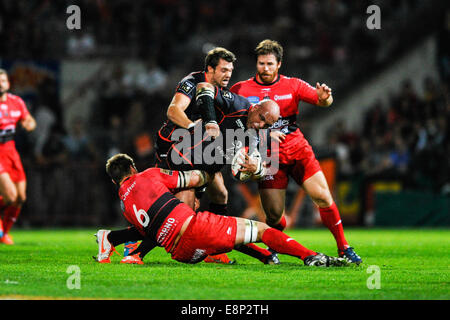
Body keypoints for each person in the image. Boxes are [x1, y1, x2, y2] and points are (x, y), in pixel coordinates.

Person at [113, 85, 283, 265]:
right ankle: (134, 250)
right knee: (180, 219)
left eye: (267, 125)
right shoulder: (236, 104)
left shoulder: (257, 135)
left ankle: (214, 252)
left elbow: (255, 168)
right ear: (255, 108)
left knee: (221, 195)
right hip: (185, 162)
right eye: (261, 118)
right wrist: (210, 120)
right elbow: (205, 87)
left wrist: (254, 168)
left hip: (206, 167)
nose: (261, 125)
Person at [230, 40, 362, 264]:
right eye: (261, 63)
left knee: (322, 197)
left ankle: (344, 247)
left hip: (297, 150)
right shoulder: (240, 90)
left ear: (279, 64)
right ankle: (275, 244)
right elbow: (234, 125)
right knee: (273, 215)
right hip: (268, 158)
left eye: (270, 63)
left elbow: (325, 102)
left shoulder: (293, 85)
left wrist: (325, 97)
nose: (265, 68)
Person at [95, 153, 348, 268]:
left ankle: (265, 257)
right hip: (194, 230)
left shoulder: (124, 205)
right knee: (261, 229)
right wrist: (215, 169)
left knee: (229, 231)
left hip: (180, 252)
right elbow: (193, 179)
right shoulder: (147, 176)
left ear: (114, 180)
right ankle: (311, 256)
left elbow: (145, 232)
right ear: (132, 169)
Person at [0, 69, 37, 244]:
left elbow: (29, 120)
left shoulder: (16, 102)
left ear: (8, 83)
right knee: (10, 196)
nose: (1, 83)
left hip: (11, 151)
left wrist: (29, 124)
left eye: (3, 80)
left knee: (20, 197)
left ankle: (3, 233)